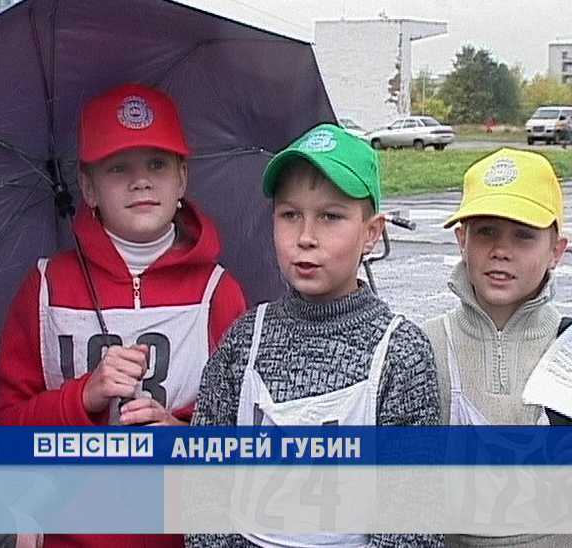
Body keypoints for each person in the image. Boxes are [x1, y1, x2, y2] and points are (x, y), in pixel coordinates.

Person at [0, 83, 247, 547]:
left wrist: (179, 435)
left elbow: (243, 441)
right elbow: (6, 437)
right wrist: (83, 397)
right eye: (117, 167)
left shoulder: (218, 292)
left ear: (182, 179)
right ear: (88, 186)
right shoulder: (45, 288)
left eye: (157, 164)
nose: (141, 181)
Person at [187, 123, 442, 548]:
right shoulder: (245, 340)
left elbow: (411, 520)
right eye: (290, 215)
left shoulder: (400, 353)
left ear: (371, 233)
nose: (306, 238)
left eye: (330, 217)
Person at [423, 148, 572, 547]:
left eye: (523, 235)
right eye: (486, 231)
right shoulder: (424, 347)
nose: (501, 250)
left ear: (556, 251)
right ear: (462, 240)